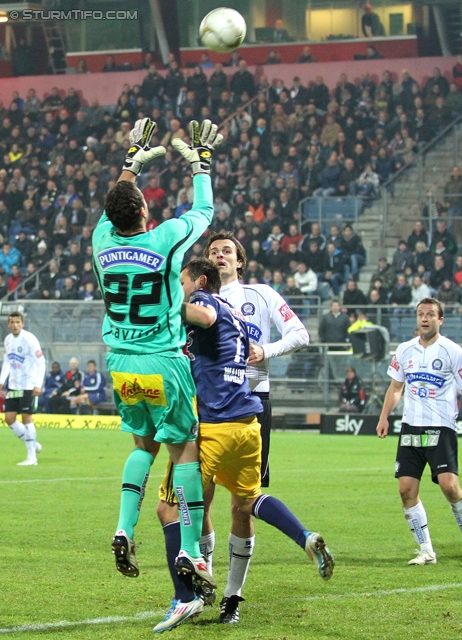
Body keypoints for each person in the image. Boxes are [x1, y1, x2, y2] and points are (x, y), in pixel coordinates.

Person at [154, 259, 334, 632]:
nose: (181, 288)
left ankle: (187, 592)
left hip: (213, 427)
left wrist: (163, 302)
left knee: (169, 508)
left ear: (200, 281)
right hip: (247, 423)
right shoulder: (236, 314)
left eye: (182, 282)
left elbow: (200, 315)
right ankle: (304, 536)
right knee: (247, 502)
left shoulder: (206, 302)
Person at [92, 118, 222, 610]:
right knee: (185, 451)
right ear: (146, 211)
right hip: (163, 361)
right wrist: (199, 164)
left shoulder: (101, 243)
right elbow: (204, 211)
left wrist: (131, 161)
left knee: (142, 445)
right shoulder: (164, 238)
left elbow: (115, 203)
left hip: (121, 363)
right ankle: (191, 548)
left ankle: (125, 525)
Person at [204, 231, 310, 488]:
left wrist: (265, 351)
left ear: (240, 262)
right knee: (202, 488)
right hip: (208, 402)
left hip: (252, 398)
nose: (220, 255)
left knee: (246, 495)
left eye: (227, 251)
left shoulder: (262, 294)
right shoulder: (199, 301)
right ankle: (205, 532)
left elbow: (300, 334)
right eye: (214, 251)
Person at [376, 298, 462, 565]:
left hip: (441, 427)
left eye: (430, 314)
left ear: (440, 320)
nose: (424, 318)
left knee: (449, 486)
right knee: (406, 489)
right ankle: (426, 550)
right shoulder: (404, 350)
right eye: (420, 314)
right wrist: (384, 417)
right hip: (410, 428)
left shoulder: (453, 351)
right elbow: (396, 387)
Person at [0, 312, 46, 465]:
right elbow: (7, 362)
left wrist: (38, 384)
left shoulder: (29, 339)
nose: (15, 325)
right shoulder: (7, 340)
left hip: (28, 385)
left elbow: (41, 362)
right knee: (9, 419)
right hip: (14, 386)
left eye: (18, 322)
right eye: (12, 322)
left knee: (26, 418)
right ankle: (34, 444)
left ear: (22, 323)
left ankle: (32, 457)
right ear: (8, 324)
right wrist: (1, 381)